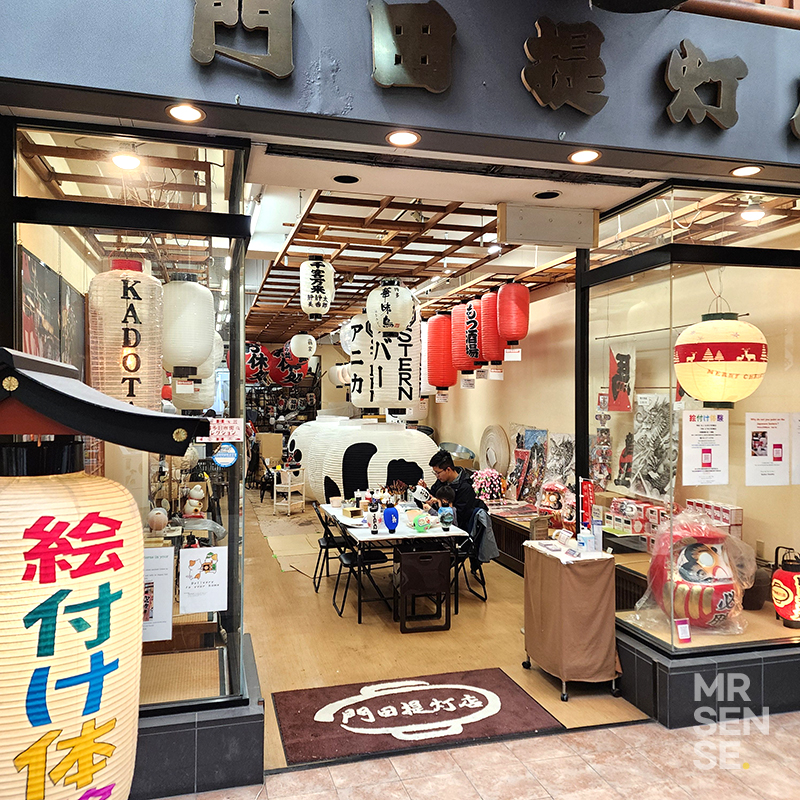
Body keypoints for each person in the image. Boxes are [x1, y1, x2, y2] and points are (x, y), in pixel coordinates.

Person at [418, 449, 486, 527]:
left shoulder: (465, 487)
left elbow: (458, 516)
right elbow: (433, 495)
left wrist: (436, 504)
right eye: (435, 473)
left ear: (448, 469)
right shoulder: (442, 481)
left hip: (455, 527)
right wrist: (424, 490)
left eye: (438, 473)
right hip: (438, 521)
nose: (437, 476)